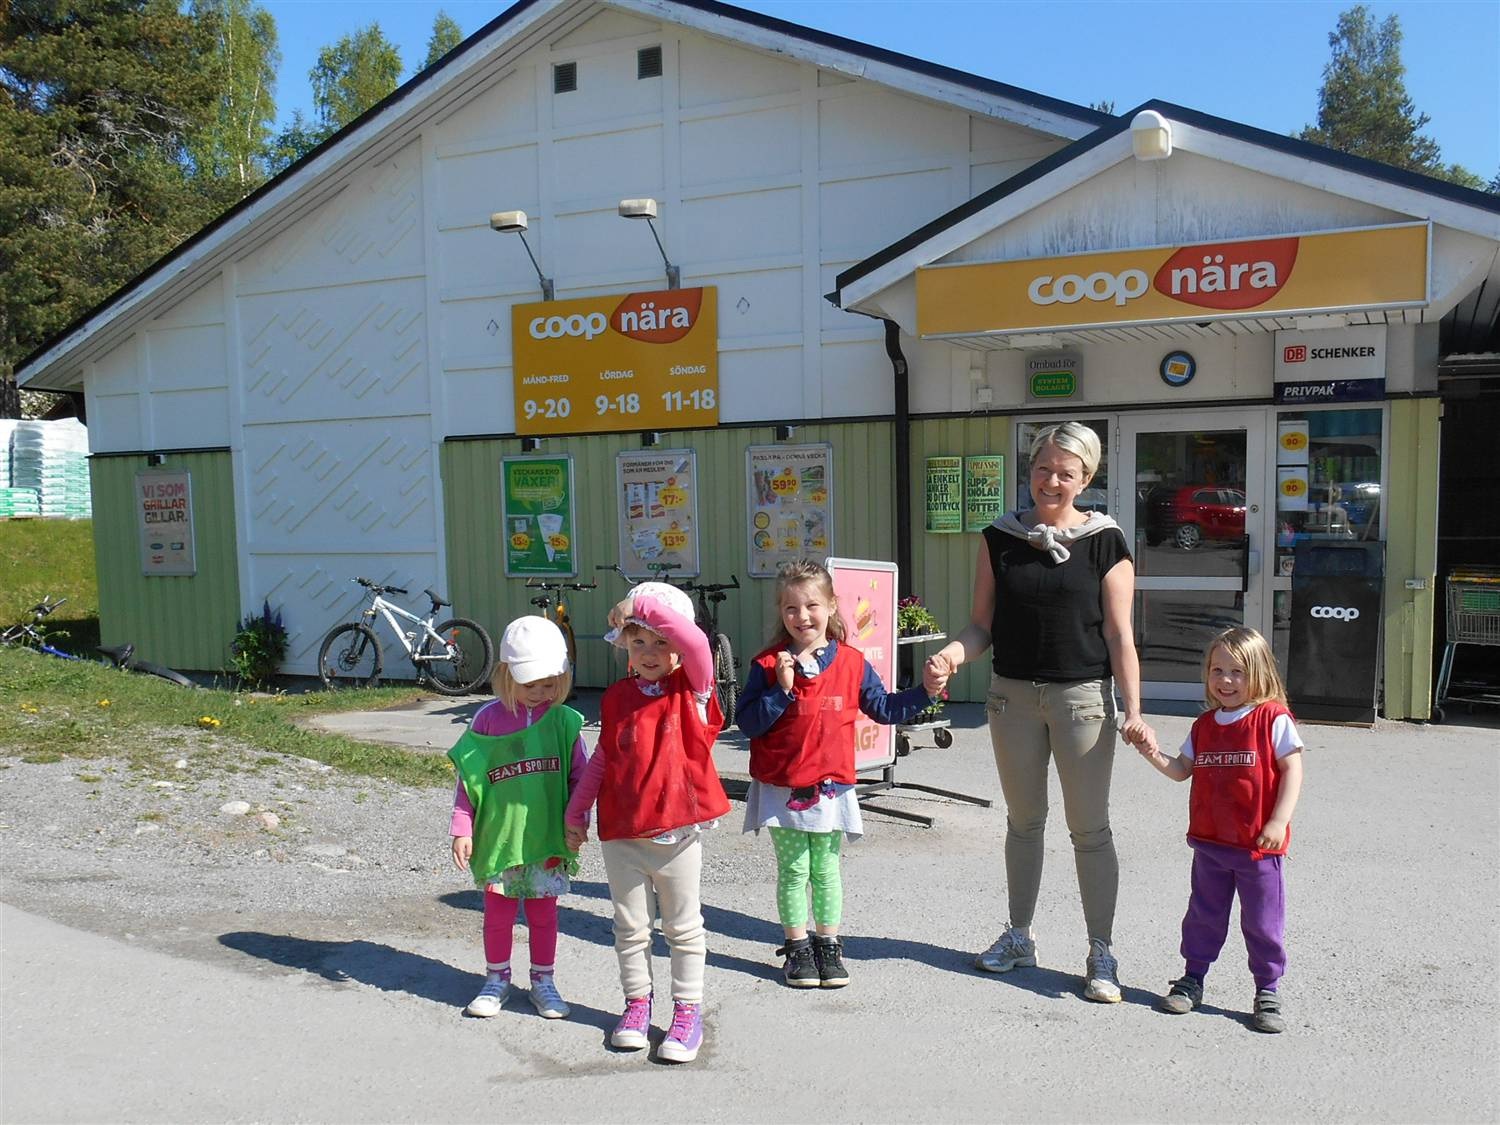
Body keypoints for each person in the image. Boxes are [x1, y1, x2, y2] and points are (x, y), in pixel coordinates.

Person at [928, 421, 1155, 1003]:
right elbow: (981, 625)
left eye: (1066, 472)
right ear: (1029, 471)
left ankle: (1101, 952)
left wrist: (1134, 708)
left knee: (1089, 830)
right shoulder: (1000, 537)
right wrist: (953, 655)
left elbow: (1119, 633)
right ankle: (1019, 935)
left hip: (1082, 699)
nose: (1051, 480)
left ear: (1086, 478)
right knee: (1023, 822)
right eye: (1042, 468)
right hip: (1012, 699)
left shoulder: (1106, 541)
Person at [736, 559, 948, 989]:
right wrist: (781, 689)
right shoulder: (766, 665)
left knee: (827, 869)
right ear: (781, 612)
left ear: (832, 606)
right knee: (794, 871)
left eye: (812, 606)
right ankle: (797, 950)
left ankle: (828, 945)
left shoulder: (851, 663)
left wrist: (927, 691)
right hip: (783, 788)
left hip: (830, 788)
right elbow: (749, 723)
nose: (802, 617)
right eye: (791, 609)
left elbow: (884, 708)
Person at [564, 582, 728, 1064]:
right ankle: (637, 1007)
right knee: (630, 928)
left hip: (677, 836)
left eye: (661, 642)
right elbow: (601, 760)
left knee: (682, 928)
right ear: (625, 649)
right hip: (622, 834)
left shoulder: (694, 691)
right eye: (639, 641)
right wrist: (576, 812)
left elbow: (698, 644)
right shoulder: (616, 698)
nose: (651, 652)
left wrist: (639, 606)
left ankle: (687, 1012)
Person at [1135, 626, 1305, 1034]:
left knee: (1263, 922)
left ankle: (1267, 989)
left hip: (1258, 848)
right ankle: (1192, 978)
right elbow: (1180, 771)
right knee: (1203, 916)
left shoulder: (1272, 719)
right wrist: (1149, 751)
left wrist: (1278, 821)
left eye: (1237, 671)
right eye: (1217, 670)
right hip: (1210, 844)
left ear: (1260, 673)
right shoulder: (1205, 724)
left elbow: (1293, 770)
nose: (1225, 680)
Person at [447, 617, 585, 1021]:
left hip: (547, 839)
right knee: (498, 914)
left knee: (544, 914)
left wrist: (578, 820)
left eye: (549, 684)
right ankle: (496, 979)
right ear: (505, 675)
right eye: (530, 685)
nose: (539, 693)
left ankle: (544, 981)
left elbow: (581, 777)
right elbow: (468, 781)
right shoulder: (487, 720)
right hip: (498, 839)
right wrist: (461, 827)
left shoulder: (564, 722)